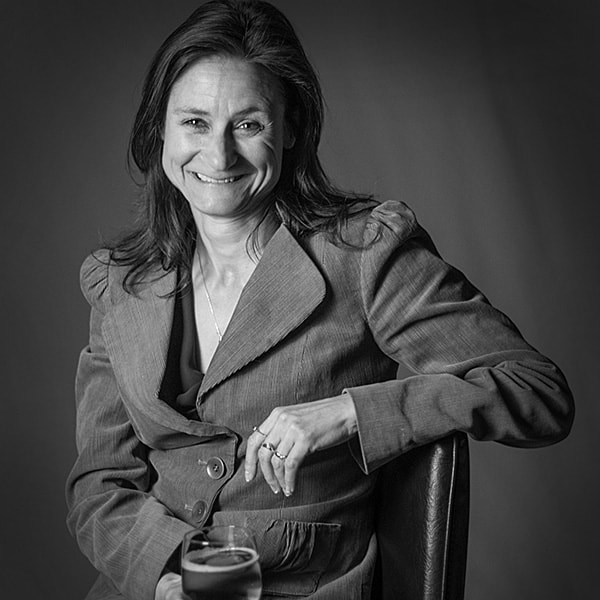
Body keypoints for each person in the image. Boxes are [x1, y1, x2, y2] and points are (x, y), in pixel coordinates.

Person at [65, 1, 574, 599]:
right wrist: (164, 580)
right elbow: (100, 485)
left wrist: (352, 413)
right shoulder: (120, 284)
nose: (219, 155)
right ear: (160, 130)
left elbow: (538, 393)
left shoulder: (363, 254)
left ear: (291, 129)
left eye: (248, 125)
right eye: (195, 122)